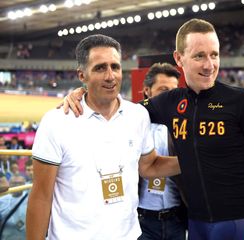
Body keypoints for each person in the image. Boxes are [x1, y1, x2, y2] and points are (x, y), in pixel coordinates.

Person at [62, 19, 244, 239]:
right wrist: (82, 92)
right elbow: (122, 108)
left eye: (214, 55)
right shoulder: (170, 102)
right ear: (179, 58)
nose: (209, 65)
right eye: (199, 56)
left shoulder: (242, 101)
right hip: (197, 226)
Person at [26, 34, 179, 240]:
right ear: (82, 75)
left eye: (115, 67)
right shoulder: (56, 122)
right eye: (100, 68)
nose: (110, 76)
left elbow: (149, 166)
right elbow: (41, 197)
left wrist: (197, 160)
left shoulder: (138, 115)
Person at [138, 62, 187, 240]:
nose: (170, 97)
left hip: (176, 219)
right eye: (163, 90)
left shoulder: (185, 125)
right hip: (141, 221)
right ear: (147, 91)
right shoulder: (131, 123)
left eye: (174, 91)